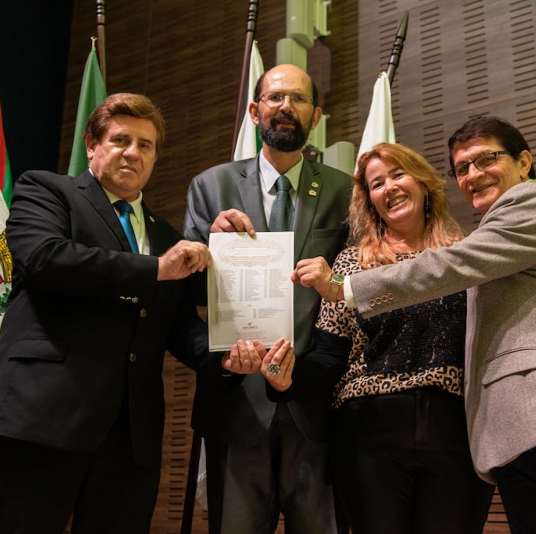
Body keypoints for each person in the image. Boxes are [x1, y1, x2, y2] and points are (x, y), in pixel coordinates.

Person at [293, 117, 536, 534]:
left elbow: (448, 265)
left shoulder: (531, 204)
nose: (473, 174)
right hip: (502, 435)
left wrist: (346, 286)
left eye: (485, 159)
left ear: (524, 161)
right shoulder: (363, 257)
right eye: (462, 167)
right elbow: (329, 355)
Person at [0, 93, 218, 534]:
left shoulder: (165, 236)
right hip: (41, 419)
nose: (133, 152)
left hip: (130, 438)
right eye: (121, 140)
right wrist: (155, 269)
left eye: (145, 145)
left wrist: (229, 355)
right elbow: (44, 259)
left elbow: (178, 326)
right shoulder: (47, 191)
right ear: (91, 145)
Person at [257, 142, 495, 533]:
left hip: (456, 430)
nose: (389, 188)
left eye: (398, 175)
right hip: (369, 432)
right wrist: (288, 380)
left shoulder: (466, 255)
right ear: (369, 202)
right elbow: (330, 357)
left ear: (423, 183)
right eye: (376, 184)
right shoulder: (349, 265)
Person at [184, 63, 352, 534]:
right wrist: (211, 249)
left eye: (298, 98)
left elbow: (354, 288)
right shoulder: (210, 186)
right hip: (236, 400)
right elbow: (188, 292)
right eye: (275, 97)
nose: (285, 107)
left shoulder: (343, 191)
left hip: (314, 407)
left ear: (315, 116)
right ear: (255, 111)